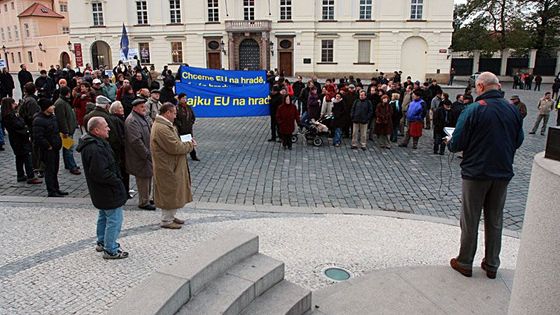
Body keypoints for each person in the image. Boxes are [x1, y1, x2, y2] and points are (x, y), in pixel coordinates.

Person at [447, 72, 523, 279]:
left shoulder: (473, 109)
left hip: (476, 172)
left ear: (480, 86)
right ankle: (491, 264)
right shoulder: (512, 109)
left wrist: (449, 141)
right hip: (502, 172)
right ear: (497, 86)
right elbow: (518, 140)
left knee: (470, 219)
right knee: (495, 219)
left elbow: (457, 143)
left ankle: (464, 262)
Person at [77, 117, 129, 259]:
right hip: (107, 190)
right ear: (96, 130)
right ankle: (110, 249)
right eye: (106, 126)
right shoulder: (95, 148)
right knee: (114, 219)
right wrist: (117, 181)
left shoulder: (95, 143)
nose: (109, 128)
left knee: (104, 216)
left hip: (101, 191)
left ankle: (102, 241)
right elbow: (100, 172)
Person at [150, 103, 196, 229]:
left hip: (171, 164)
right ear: (167, 113)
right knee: (169, 191)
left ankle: (171, 216)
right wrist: (190, 145)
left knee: (174, 191)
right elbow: (174, 147)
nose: (175, 116)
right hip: (167, 166)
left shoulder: (165, 125)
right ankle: (166, 220)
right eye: (174, 113)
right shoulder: (162, 128)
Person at [1, 97, 42, 184]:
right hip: (20, 139)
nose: (15, 105)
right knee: (26, 156)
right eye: (13, 103)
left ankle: (20, 175)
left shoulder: (6, 115)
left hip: (15, 139)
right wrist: (24, 124)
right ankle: (30, 176)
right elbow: (20, 124)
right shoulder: (11, 116)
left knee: (19, 157)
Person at [125, 98, 155, 210]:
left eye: (144, 106)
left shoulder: (142, 117)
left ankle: (147, 198)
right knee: (143, 178)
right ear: (135, 108)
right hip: (140, 156)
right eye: (142, 107)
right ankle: (143, 202)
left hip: (146, 154)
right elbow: (135, 141)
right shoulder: (133, 120)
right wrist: (146, 154)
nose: (144, 108)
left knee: (148, 176)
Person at [33, 98, 66, 197]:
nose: (53, 107)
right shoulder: (38, 120)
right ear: (46, 108)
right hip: (48, 149)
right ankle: (51, 190)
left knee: (55, 169)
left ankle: (56, 188)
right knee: (49, 170)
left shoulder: (52, 117)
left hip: (55, 147)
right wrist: (48, 146)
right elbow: (38, 137)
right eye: (51, 106)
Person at [54, 86, 80, 175]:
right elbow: (61, 119)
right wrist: (65, 131)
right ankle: (72, 166)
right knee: (69, 149)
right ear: (67, 93)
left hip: (68, 129)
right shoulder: (60, 103)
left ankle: (68, 164)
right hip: (66, 131)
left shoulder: (63, 101)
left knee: (67, 148)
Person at [108, 101, 130, 198]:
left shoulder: (119, 119)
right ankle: (124, 192)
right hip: (120, 152)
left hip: (121, 151)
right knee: (122, 172)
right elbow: (119, 137)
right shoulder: (116, 120)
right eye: (120, 108)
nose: (122, 109)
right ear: (115, 110)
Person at [175, 93, 199, 161]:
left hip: (188, 128)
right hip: (180, 129)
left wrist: (191, 122)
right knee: (181, 143)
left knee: (190, 142)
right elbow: (175, 118)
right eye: (183, 98)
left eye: (185, 98)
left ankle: (193, 156)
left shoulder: (188, 107)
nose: (185, 99)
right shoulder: (177, 108)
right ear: (179, 99)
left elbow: (192, 116)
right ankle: (182, 156)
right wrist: (180, 125)